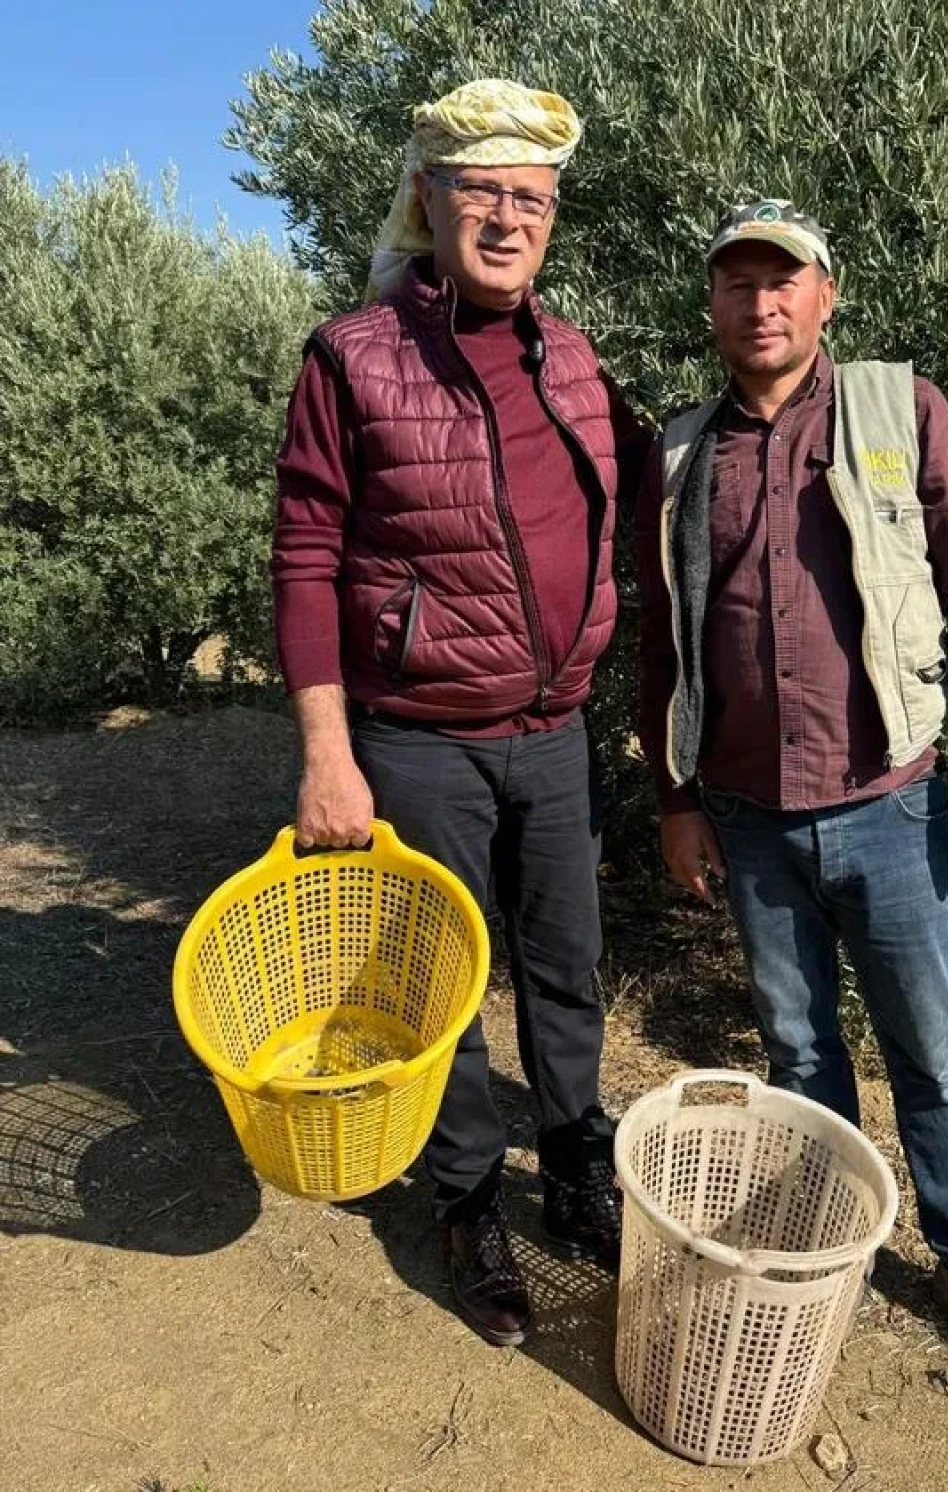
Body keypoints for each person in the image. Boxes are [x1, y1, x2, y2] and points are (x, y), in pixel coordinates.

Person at [634, 199, 948, 1394]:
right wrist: (674, 796)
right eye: (735, 284)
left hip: (890, 800)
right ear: (710, 305)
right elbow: (661, 643)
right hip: (746, 814)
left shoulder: (895, 407)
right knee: (796, 1046)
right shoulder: (678, 454)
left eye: (782, 282)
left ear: (825, 295)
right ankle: (824, 1242)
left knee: (927, 1052)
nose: (758, 304)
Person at [272, 79, 647, 1349]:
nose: (504, 216)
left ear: (551, 216)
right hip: (415, 740)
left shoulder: (574, 352)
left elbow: (642, 494)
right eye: (479, 190)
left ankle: (580, 1168)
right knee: (434, 986)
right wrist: (327, 753)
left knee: (562, 970)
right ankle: (470, 1199)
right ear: (428, 199)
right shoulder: (354, 355)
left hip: (554, 732)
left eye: (527, 198)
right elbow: (305, 554)